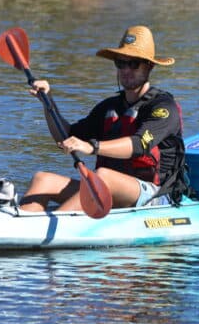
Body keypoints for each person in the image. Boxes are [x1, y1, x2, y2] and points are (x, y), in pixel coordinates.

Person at [19, 25, 186, 212]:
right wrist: (48, 103)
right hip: (107, 187)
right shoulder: (109, 107)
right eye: (121, 63)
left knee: (103, 176)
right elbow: (65, 137)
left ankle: (48, 230)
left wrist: (92, 147)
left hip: (155, 196)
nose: (126, 70)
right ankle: (21, 227)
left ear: (150, 66)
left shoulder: (163, 108)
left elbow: (139, 145)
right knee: (43, 179)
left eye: (134, 63)